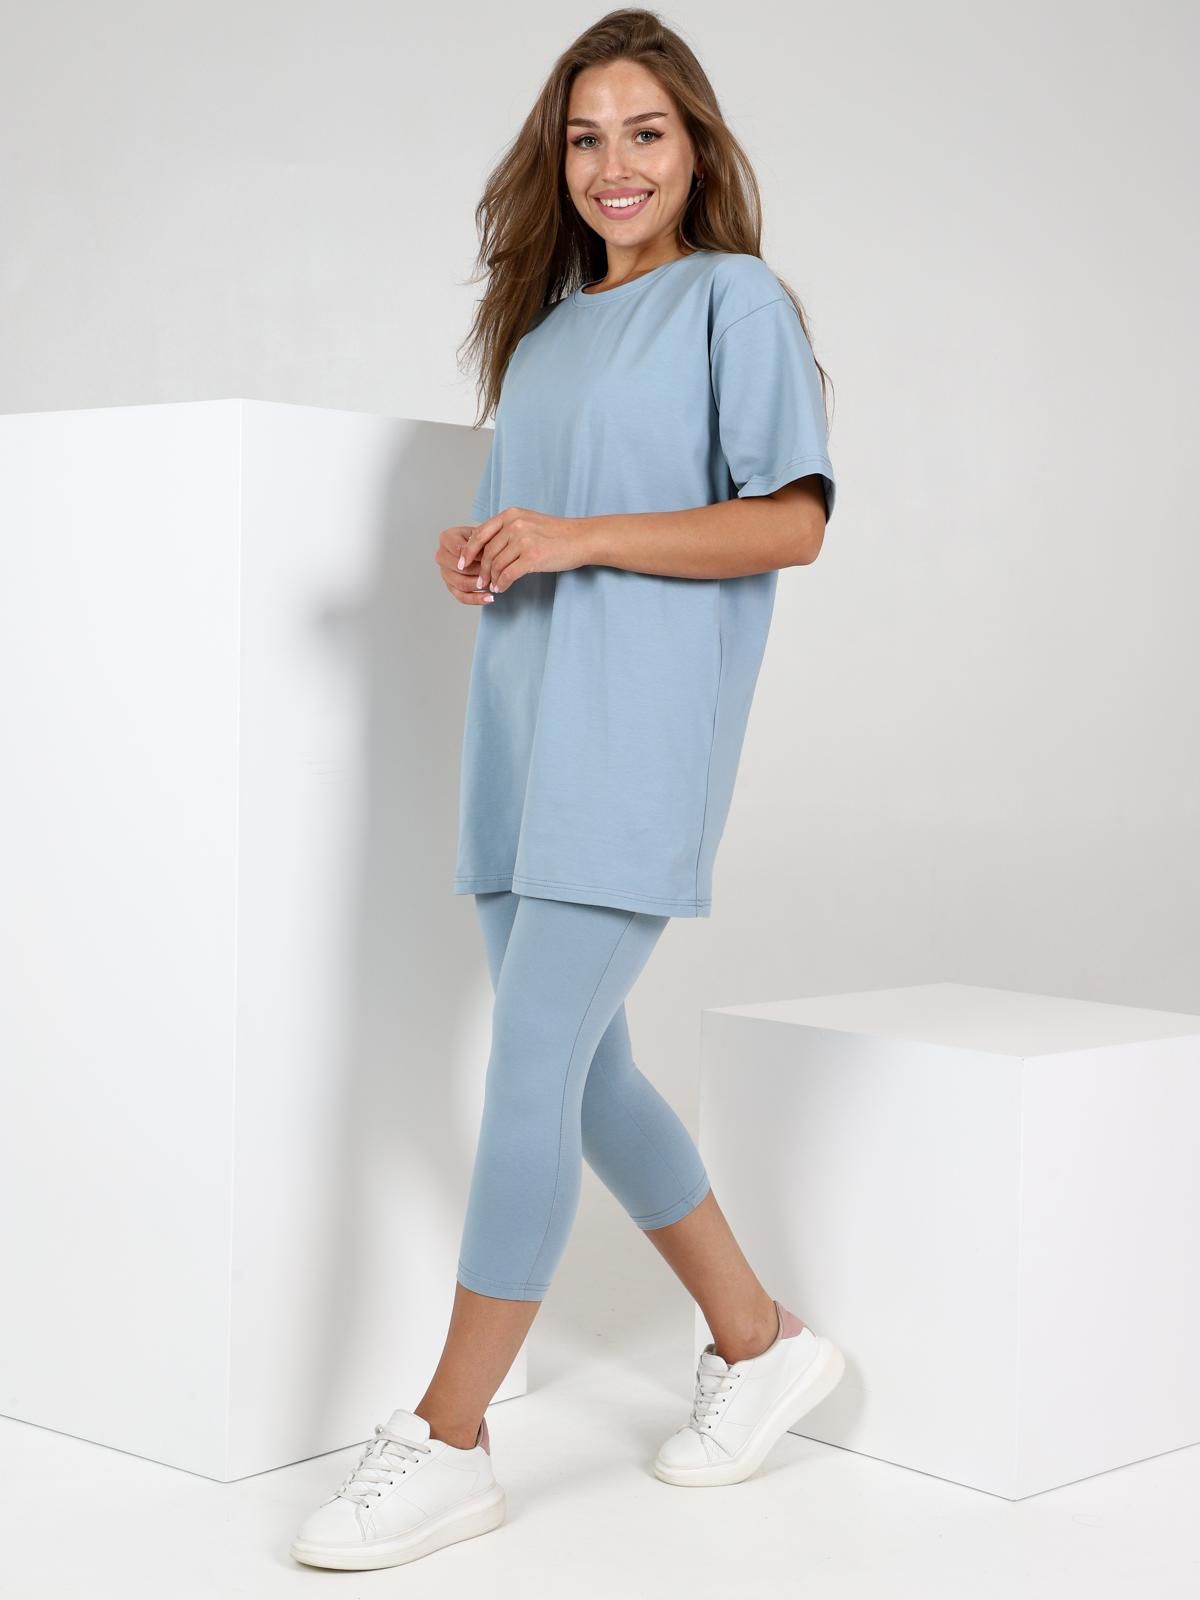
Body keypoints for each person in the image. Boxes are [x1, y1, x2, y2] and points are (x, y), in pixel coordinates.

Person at [290, 7, 845, 1573]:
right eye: (587, 138)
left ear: (697, 148)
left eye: (645, 133)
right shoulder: (539, 338)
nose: (615, 165)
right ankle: (758, 1341)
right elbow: (542, 525)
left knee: (530, 1067)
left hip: (637, 744)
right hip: (521, 740)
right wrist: (487, 550)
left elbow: (791, 523)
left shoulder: (734, 301)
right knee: (589, 1077)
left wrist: (579, 535)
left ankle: (450, 1437)